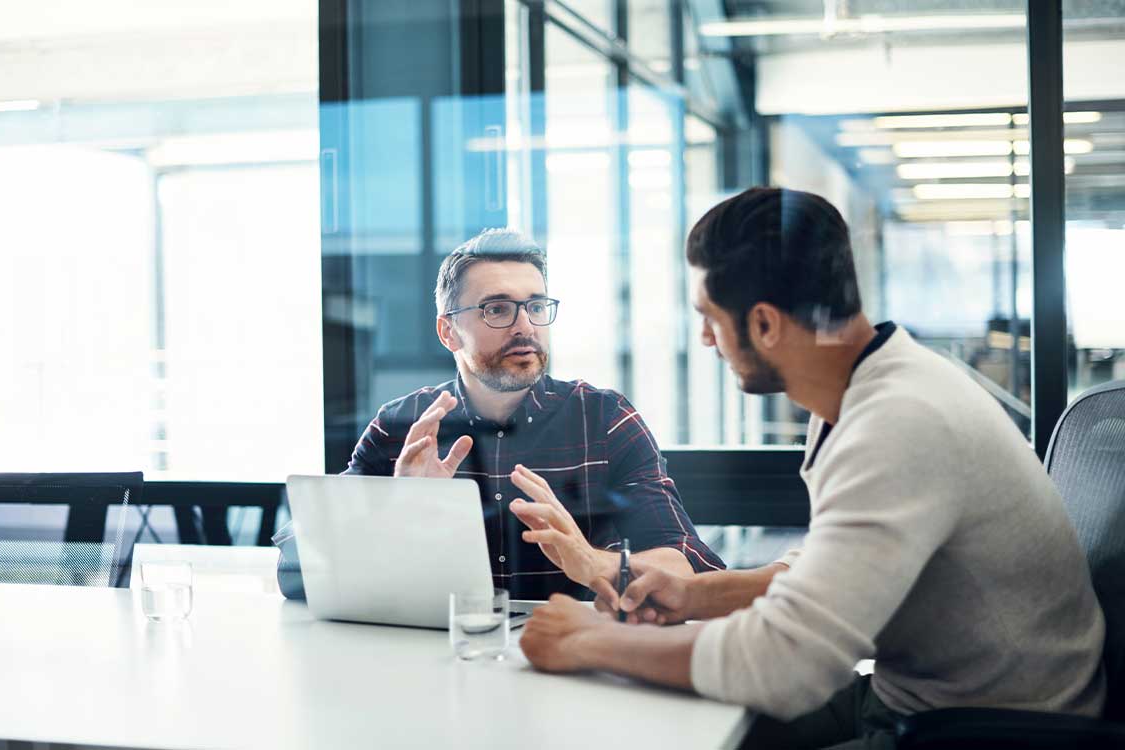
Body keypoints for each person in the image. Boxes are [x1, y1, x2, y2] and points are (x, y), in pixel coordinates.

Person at [518, 187, 1106, 749]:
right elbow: (837, 567)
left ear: (766, 324)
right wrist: (695, 594)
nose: (704, 339)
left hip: (982, 730)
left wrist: (591, 640)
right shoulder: (863, 386)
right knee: (654, 722)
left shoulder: (898, 422)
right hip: (920, 696)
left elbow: (786, 666)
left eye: (710, 317)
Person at [274, 228, 723, 600]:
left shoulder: (604, 419)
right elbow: (296, 572)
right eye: (497, 309)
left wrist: (591, 563)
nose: (525, 326)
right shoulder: (400, 428)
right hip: (433, 667)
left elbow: (690, 566)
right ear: (448, 331)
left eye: (536, 306)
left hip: (575, 663)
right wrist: (397, 508)